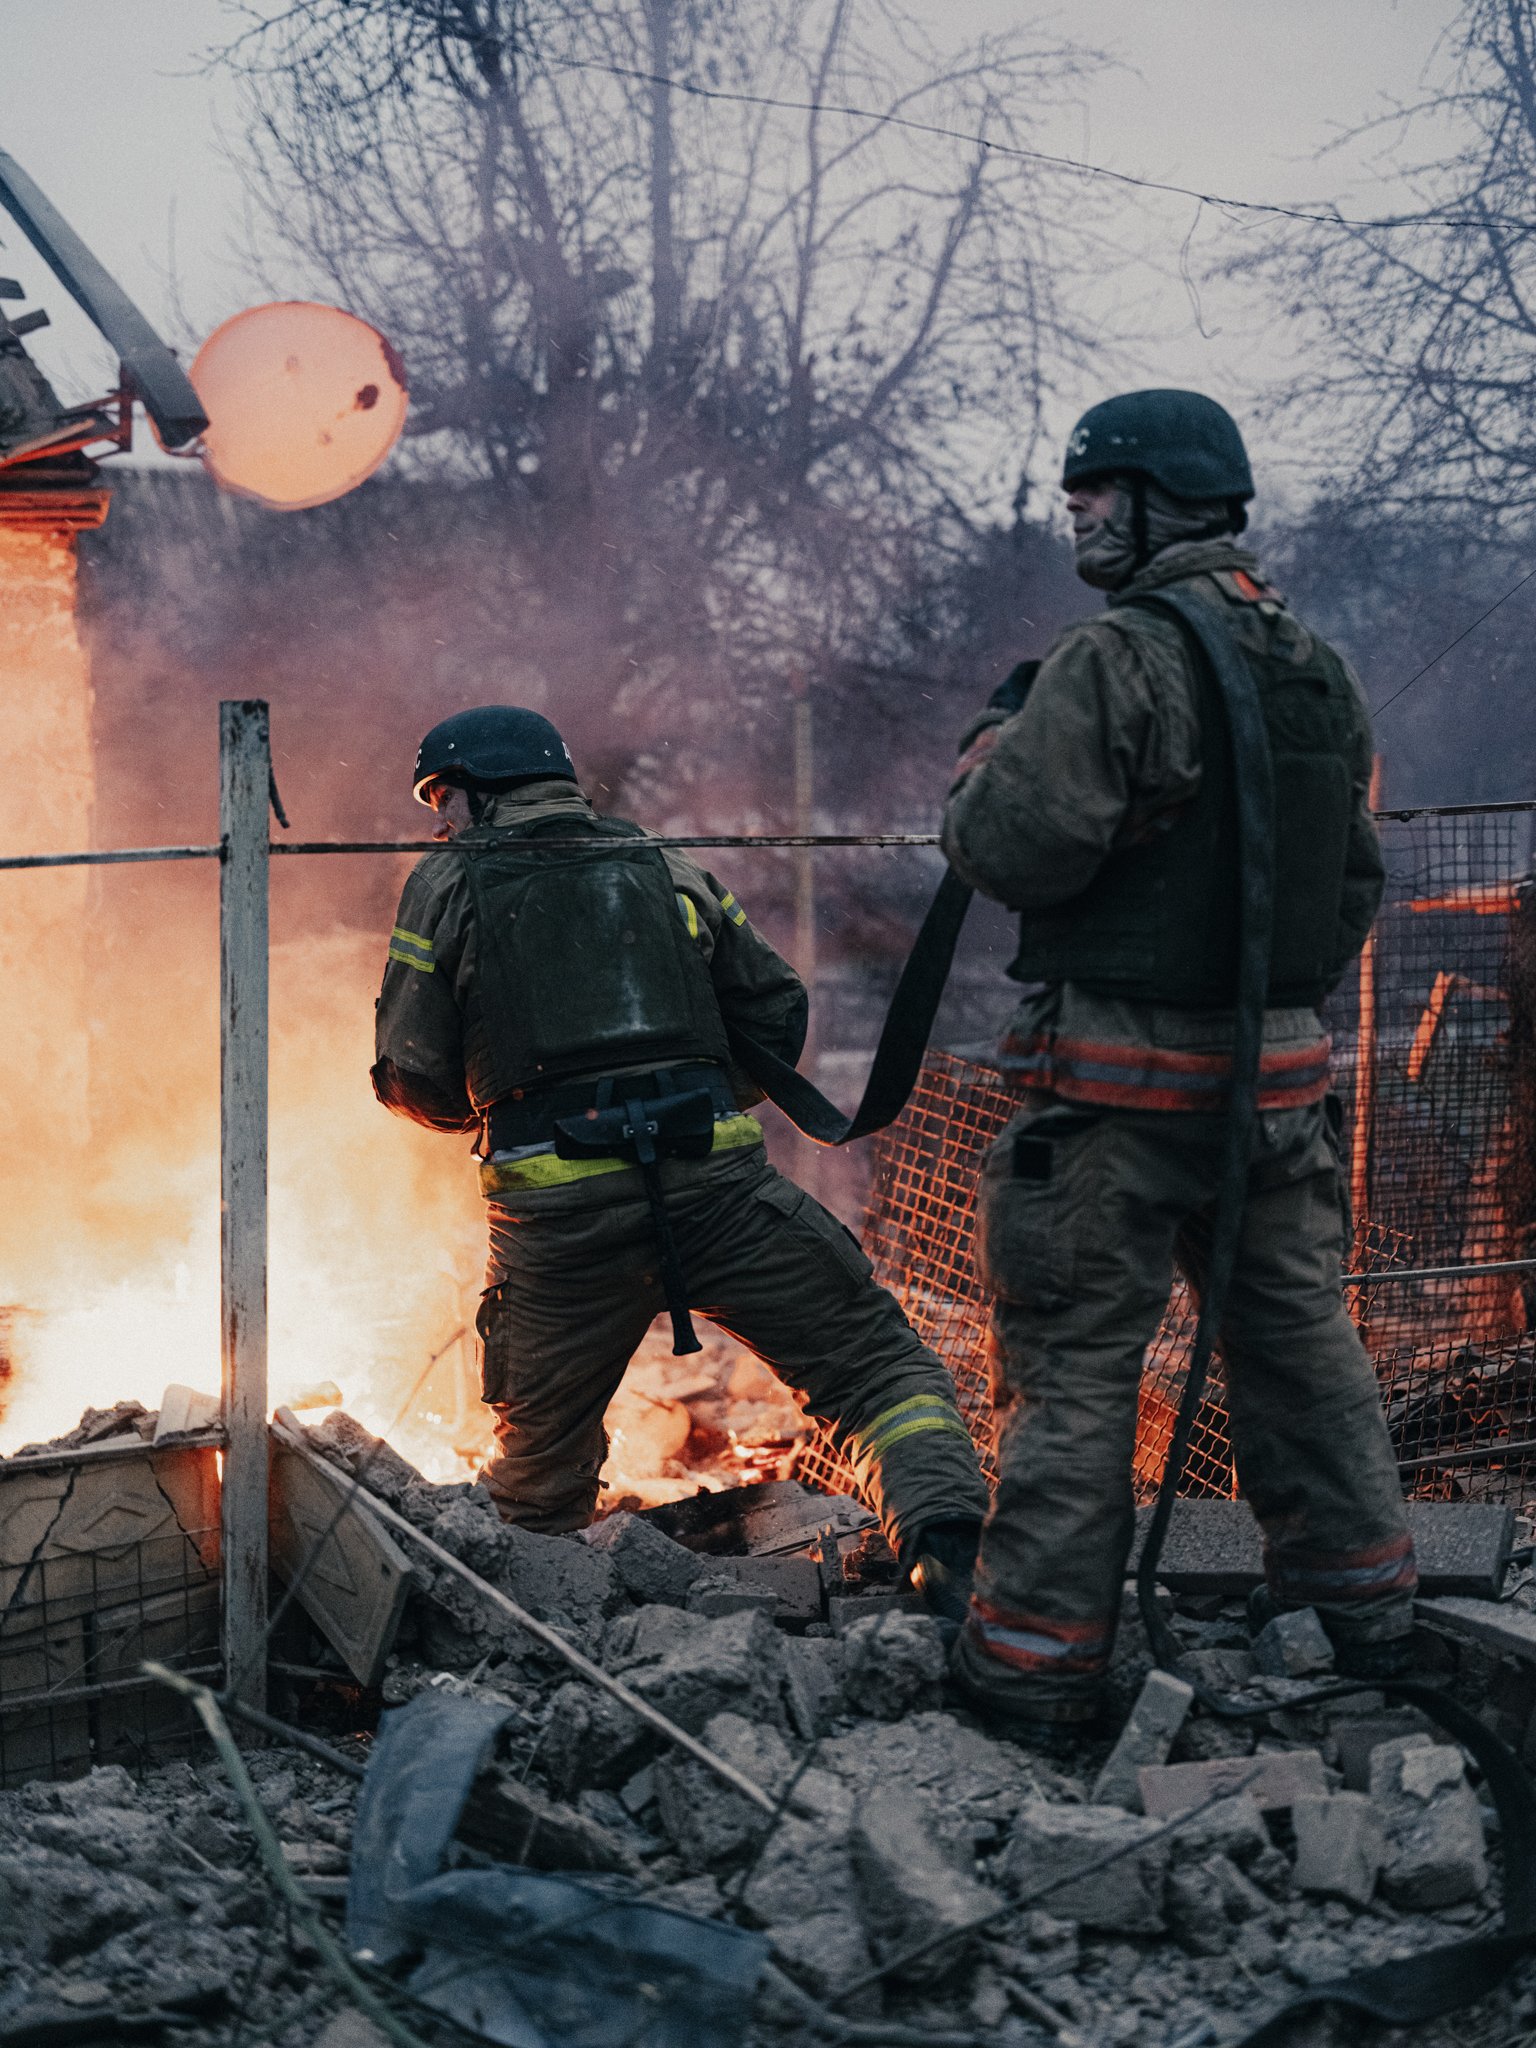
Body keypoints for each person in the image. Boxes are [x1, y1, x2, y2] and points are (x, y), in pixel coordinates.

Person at [940, 388, 1417, 1743]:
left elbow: (1012, 848)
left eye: (1097, 489)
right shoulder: (1315, 663)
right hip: (1278, 1100)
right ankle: (1371, 1614)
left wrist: (984, 758)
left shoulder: (1117, 656)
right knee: (1303, 1347)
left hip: (1110, 1107)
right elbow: (1354, 882)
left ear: (1156, 502)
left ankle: (1031, 1669)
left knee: (1076, 1372)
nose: (1077, 510)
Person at [372, 705, 989, 1615]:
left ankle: (539, 1646)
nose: (440, 824)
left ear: (470, 791)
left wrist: (510, 1098)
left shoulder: (447, 882)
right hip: (719, 1194)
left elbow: (416, 1076)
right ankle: (947, 1550)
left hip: (559, 1231)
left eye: (442, 802)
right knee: (877, 1369)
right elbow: (776, 1013)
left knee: (538, 1477)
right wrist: (691, 1097)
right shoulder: (667, 867)